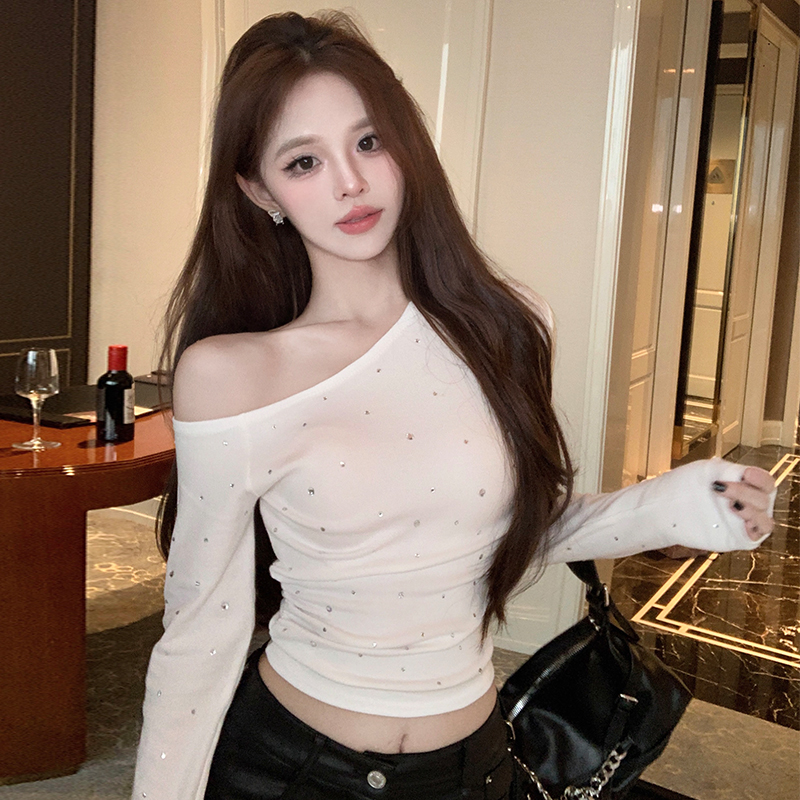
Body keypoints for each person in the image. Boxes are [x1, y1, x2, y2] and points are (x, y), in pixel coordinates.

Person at [133, 11, 776, 800]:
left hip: (472, 766)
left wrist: (688, 504)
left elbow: (512, 533)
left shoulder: (509, 324)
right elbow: (203, 626)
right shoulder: (232, 374)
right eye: (304, 161)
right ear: (260, 190)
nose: (350, 182)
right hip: (290, 767)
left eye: (370, 142)